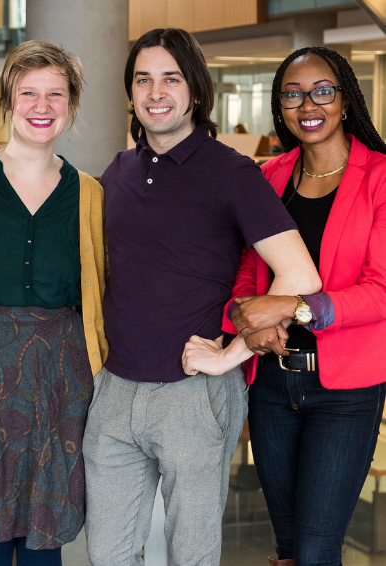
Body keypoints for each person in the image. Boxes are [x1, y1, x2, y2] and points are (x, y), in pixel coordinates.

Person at [83, 28, 322, 566]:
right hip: (115, 390)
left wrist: (232, 354)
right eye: (143, 79)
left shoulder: (231, 171)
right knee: (107, 557)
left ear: (196, 90)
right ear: (130, 93)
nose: (156, 91)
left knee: (191, 557)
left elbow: (300, 274)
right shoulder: (116, 173)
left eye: (171, 77)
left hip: (192, 395)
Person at [182, 46, 386, 566]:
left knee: (317, 552)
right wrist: (245, 319)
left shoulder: (380, 177)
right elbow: (248, 274)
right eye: (292, 95)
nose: (307, 105)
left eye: (322, 91)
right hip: (270, 384)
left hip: (345, 391)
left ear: (345, 100)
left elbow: (381, 289)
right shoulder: (269, 176)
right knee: (290, 548)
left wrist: (294, 309)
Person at [0, 40, 108, 565]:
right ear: (7, 101)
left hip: (63, 371)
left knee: (46, 524)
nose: (42, 105)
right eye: (28, 92)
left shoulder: (90, 192)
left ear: (72, 105)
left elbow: (100, 290)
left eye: (56, 94)